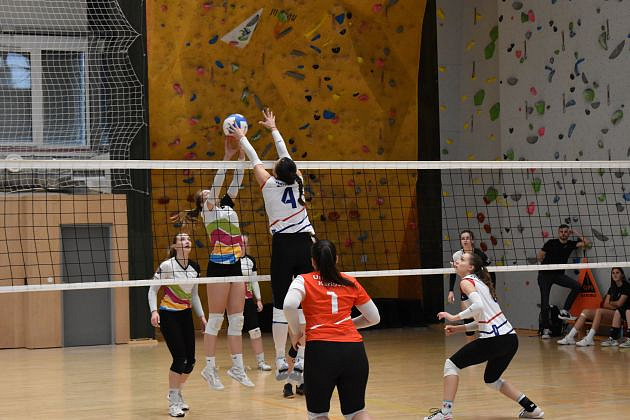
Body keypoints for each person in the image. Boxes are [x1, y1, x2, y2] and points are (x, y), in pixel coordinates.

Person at [233, 108, 315, 388]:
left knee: (281, 306)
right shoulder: (299, 181)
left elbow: (254, 158)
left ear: (278, 171)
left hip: (282, 247)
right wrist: (274, 129)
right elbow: (286, 157)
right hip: (304, 245)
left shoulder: (268, 185)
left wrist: (242, 137)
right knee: (304, 304)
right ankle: (300, 357)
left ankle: (280, 358)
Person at [173, 136, 254, 390]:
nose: (211, 194)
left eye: (211, 193)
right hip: (218, 266)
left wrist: (241, 158)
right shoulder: (209, 211)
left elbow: (236, 181)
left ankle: (237, 367)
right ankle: (209, 368)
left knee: (237, 320)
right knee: (217, 320)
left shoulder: (227, 205)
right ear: (202, 203)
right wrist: (226, 157)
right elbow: (218, 184)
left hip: (236, 264)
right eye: (206, 194)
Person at [424, 252, 544, 420]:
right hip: (510, 339)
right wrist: (459, 329)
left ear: (470, 267)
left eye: (462, 259)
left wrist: (453, 317)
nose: (457, 261)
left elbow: (478, 306)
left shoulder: (466, 282)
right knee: (492, 380)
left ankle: (445, 413)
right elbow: (483, 319)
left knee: (451, 365)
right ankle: (532, 409)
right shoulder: (481, 283)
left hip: (494, 339)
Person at [283, 239, 380, 420]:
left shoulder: (303, 280)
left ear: (313, 261)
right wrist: (346, 324)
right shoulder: (350, 281)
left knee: (318, 414)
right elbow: (374, 318)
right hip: (354, 351)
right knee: (356, 412)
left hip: (321, 351)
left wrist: (296, 333)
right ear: (336, 259)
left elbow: (288, 305)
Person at [148, 233, 207, 417]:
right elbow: (152, 290)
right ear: (174, 246)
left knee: (190, 361)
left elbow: (194, 295)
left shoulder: (195, 267)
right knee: (180, 358)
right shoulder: (167, 266)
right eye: (181, 239)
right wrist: (154, 311)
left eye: (188, 239)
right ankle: (174, 402)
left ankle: (176, 392)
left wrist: (202, 317)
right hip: (168, 315)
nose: (186, 241)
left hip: (185, 315)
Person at [537, 224, 590, 338]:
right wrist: (547, 264)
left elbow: (586, 242)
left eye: (566, 232)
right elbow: (540, 256)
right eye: (561, 232)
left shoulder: (570, 244)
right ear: (558, 232)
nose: (563, 234)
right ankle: (546, 329)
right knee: (545, 302)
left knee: (576, 286)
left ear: (568, 233)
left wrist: (574, 232)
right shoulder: (551, 243)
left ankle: (564, 311)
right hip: (545, 275)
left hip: (558, 274)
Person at [557, 267, 629, 346]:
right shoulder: (612, 287)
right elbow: (605, 304)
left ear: (622, 275)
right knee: (585, 312)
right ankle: (570, 337)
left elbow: (619, 304)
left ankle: (589, 338)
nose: (615, 275)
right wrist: (613, 305)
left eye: (617, 273)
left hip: (620, 315)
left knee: (599, 311)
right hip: (610, 313)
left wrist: (611, 303)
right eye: (613, 273)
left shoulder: (626, 286)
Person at [448, 230, 496, 341]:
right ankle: (471, 345)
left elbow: (492, 271)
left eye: (467, 238)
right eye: (463, 238)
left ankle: (487, 339)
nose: (465, 240)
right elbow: (453, 273)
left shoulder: (478, 254)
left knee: (483, 315)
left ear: (472, 240)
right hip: (467, 288)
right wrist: (451, 290)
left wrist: (492, 289)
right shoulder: (457, 255)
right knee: (468, 317)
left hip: (480, 287)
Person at [240, 233, 272, 371]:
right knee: (235, 332)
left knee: (255, 331)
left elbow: (254, 281)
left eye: (245, 242)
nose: (242, 245)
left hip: (248, 300)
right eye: (240, 242)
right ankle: (238, 364)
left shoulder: (250, 260)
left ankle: (261, 362)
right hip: (233, 302)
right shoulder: (229, 261)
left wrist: (258, 299)